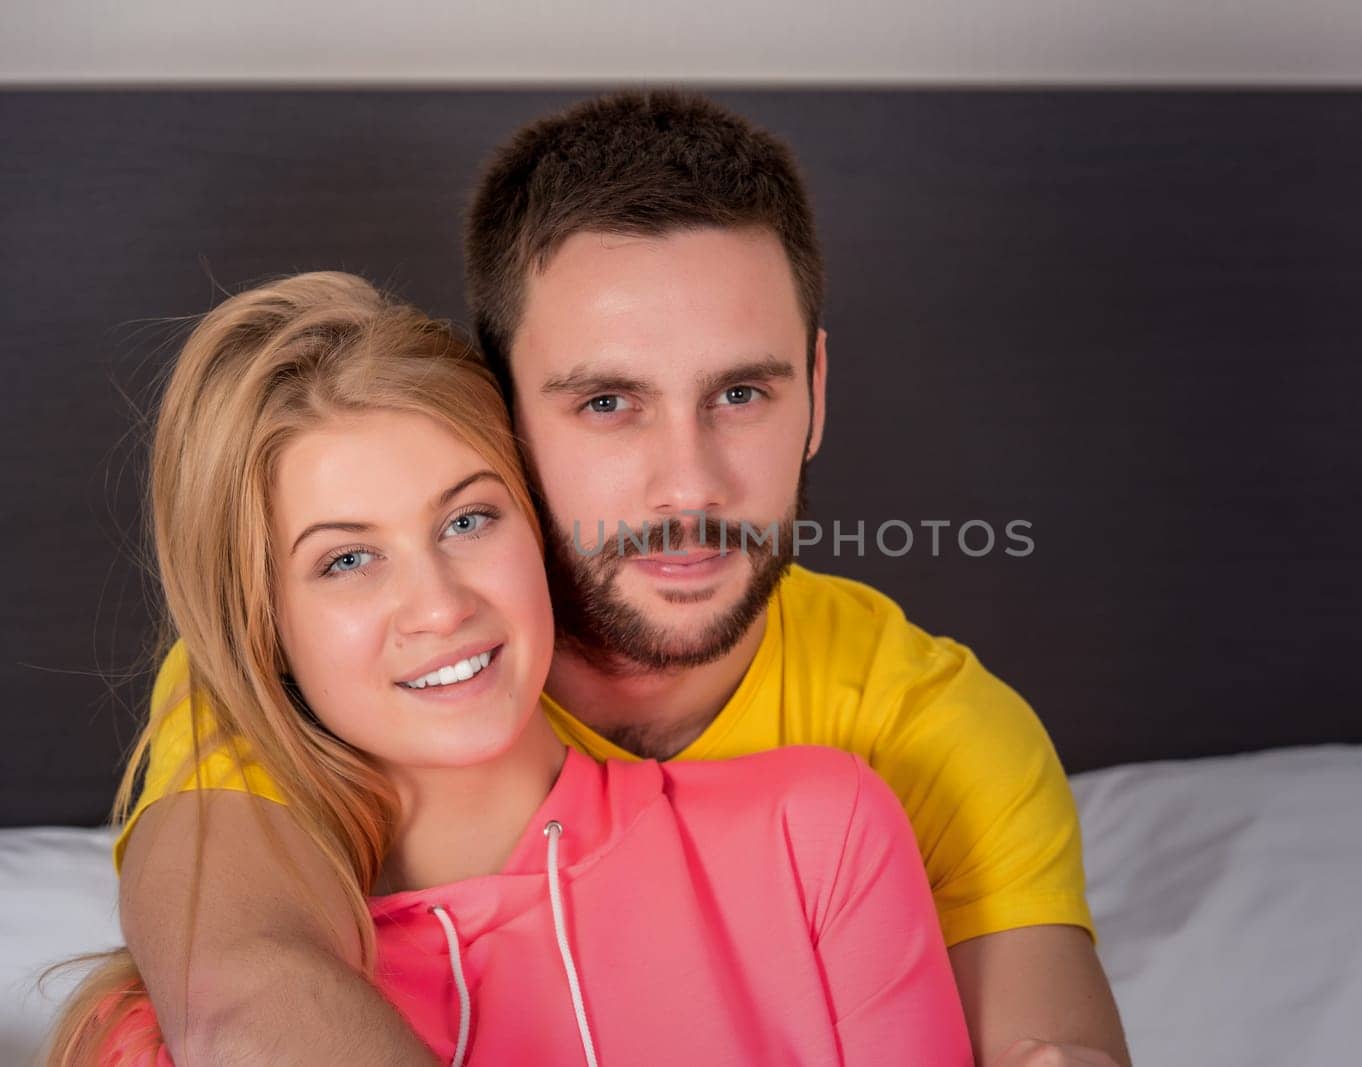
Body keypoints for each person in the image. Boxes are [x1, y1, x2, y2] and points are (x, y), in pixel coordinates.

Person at [115, 92, 1131, 1066]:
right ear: (502, 410)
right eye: (607, 402)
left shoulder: (937, 734)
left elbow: (1052, 1043)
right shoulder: (321, 680)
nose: (687, 482)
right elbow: (245, 993)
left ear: (814, 394)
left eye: (740, 392)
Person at [49, 272, 973, 1066]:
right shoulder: (167, 1030)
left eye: (467, 520)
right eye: (346, 560)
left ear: (540, 525)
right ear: (263, 628)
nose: (442, 606)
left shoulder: (819, 836)